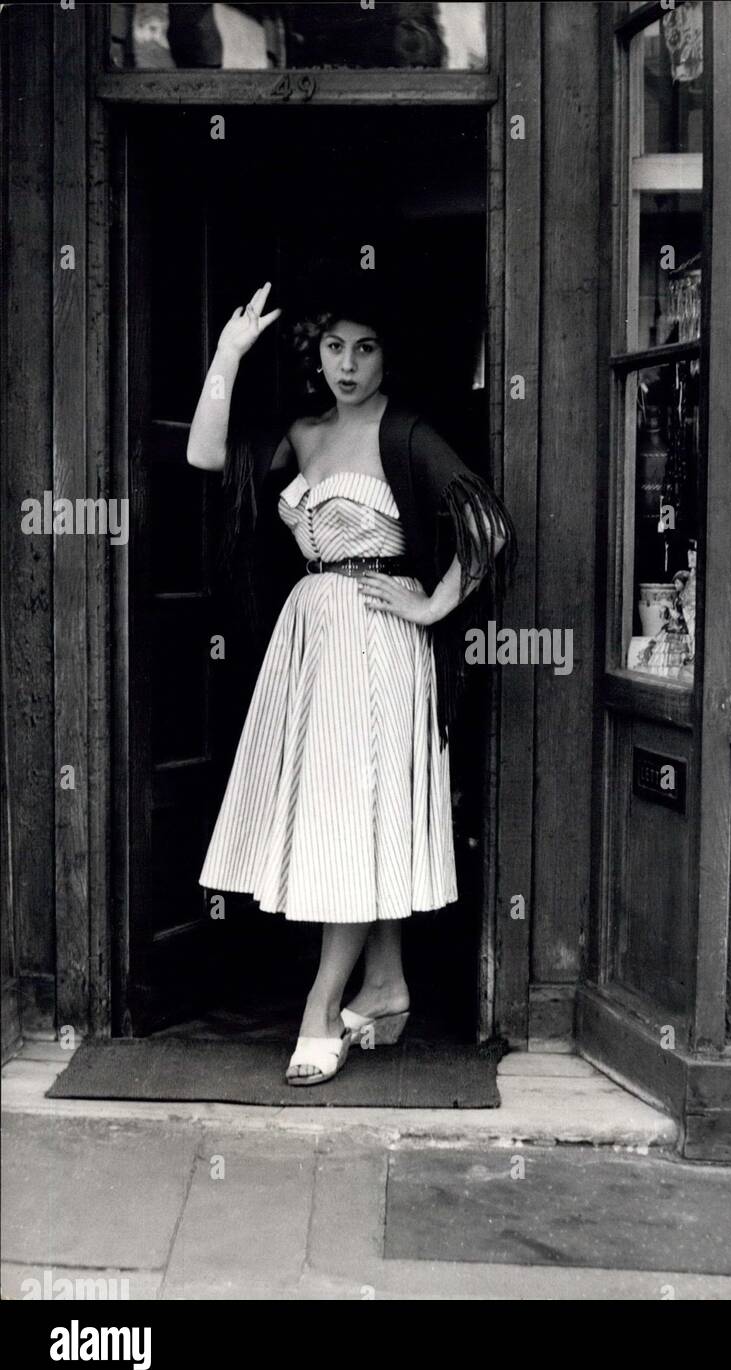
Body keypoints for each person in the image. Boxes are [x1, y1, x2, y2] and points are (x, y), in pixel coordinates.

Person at [187, 281, 516, 1085]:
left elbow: (488, 525)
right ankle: (387, 983)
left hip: (377, 641)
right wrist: (228, 354)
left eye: (365, 348)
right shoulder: (304, 433)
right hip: (314, 635)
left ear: (387, 355)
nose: (347, 364)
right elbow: (203, 453)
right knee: (352, 821)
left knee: (348, 824)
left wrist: (432, 601)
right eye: (335, 347)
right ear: (317, 353)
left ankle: (318, 1009)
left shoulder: (405, 430)